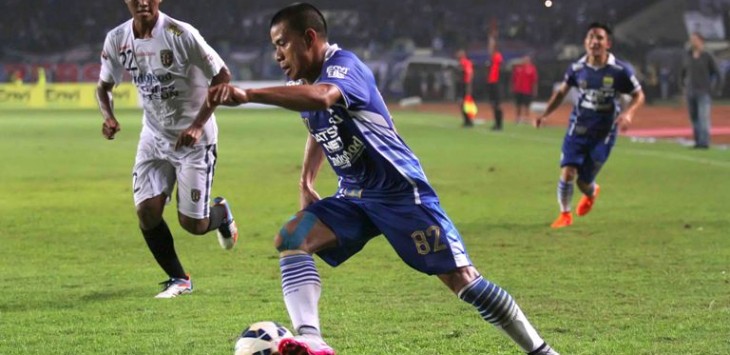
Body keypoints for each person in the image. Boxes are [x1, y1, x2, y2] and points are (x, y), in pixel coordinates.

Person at [192, 3, 560, 354]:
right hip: (354, 194)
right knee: (292, 237)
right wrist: (306, 181)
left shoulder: (344, 67)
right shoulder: (305, 84)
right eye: (274, 47)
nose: (277, 55)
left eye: (281, 44)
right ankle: (312, 341)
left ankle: (541, 350)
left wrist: (249, 94)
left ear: (309, 38)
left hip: (400, 192)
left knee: (463, 281)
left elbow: (323, 99)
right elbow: (318, 125)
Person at [95, 0, 238, 299]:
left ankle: (221, 214)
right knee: (146, 212)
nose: (143, 2)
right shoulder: (117, 39)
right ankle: (179, 278)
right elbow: (103, 87)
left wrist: (198, 124)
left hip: (194, 141)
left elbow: (222, 76)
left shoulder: (182, 34)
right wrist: (108, 117)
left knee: (193, 225)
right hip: (154, 136)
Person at [534, 22, 644, 229]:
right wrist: (545, 114)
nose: (595, 41)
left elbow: (639, 95)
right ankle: (565, 214)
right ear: (585, 43)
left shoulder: (620, 71)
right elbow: (561, 93)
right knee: (568, 171)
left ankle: (592, 192)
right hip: (578, 128)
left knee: (583, 182)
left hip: (604, 133)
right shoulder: (577, 68)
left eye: (600, 38)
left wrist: (628, 114)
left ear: (608, 43)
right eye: (591, 37)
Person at [681, 33, 721, 149]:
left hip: (704, 92)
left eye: (695, 40)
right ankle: (698, 141)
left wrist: (715, 89)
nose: (692, 42)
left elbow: (717, 73)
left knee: (703, 117)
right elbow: (682, 73)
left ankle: (704, 142)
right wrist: (683, 87)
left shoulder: (707, 56)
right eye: (691, 40)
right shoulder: (688, 56)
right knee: (694, 118)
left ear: (701, 41)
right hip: (690, 92)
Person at [511, 55, 538, 124]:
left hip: (527, 90)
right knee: (518, 105)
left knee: (526, 105)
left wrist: (534, 90)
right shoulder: (518, 68)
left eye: (527, 60)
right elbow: (514, 79)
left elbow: (534, 81)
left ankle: (526, 118)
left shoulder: (532, 68)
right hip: (518, 89)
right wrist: (513, 87)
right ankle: (518, 118)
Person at [485, 36, 504, 130]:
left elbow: (500, 68)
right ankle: (496, 122)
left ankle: (499, 124)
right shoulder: (491, 58)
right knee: (493, 104)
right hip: (491, 82)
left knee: (497, 104)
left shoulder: (497, 56)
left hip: (496, 82)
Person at [456, 49, 475, 127]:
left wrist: (468, 85)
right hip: (462, 85)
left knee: (465, 103)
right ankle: (466, 120)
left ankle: (469, 120)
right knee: (461, 103)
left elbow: (469, 73)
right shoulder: (460, 63)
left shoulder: (466, 62)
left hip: (465, 85)